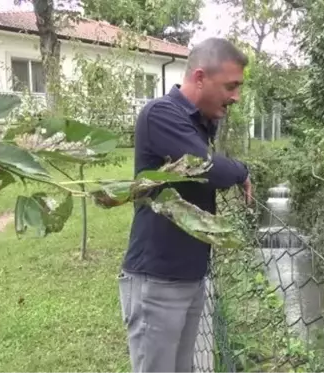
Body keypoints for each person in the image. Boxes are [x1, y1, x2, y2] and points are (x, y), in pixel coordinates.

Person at [118, 37, 252, 373]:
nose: (236, 96)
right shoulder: (162, 114)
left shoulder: (198, 122)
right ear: (200, 78)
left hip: (189, 275)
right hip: (158, 279)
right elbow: (210, 168)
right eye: (231, 86)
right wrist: (243, 171)